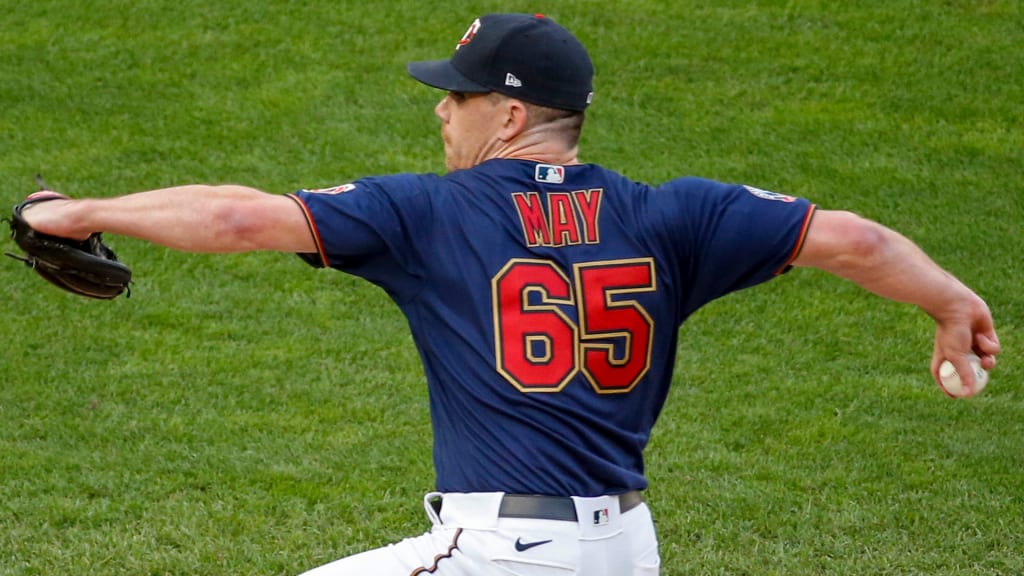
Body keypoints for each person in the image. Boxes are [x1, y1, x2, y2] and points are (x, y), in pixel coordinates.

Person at [18, 13, 999, 576]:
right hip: (625, 551)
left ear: (512, 114)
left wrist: (80, 211)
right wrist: (952, 305)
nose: (442, 113)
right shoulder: (674, 215)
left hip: (505, 554)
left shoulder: (428, 214)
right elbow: (857, 241)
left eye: (457, 95)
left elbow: (238, 219)